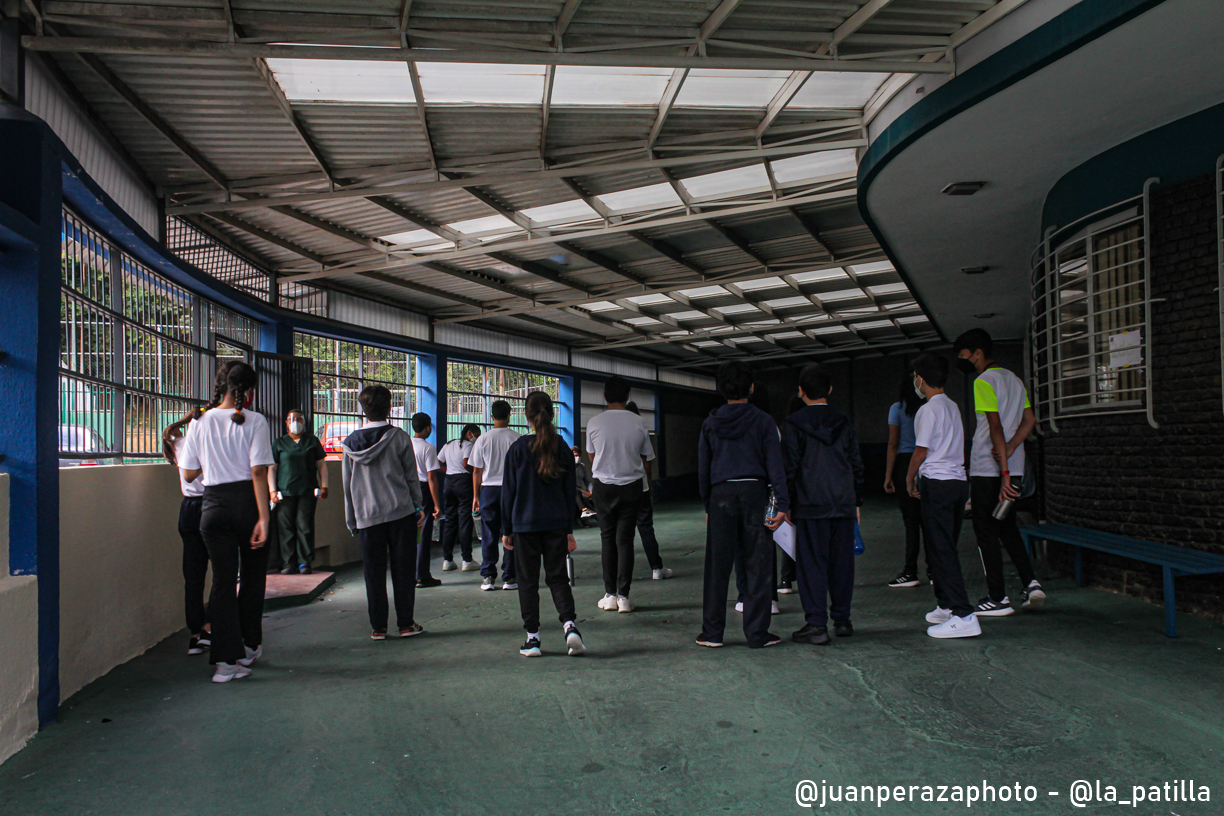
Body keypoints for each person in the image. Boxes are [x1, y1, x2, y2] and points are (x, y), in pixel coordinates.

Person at [176, 361, 273, 683]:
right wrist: (263, 516)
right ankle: (249, 646)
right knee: (252, 579)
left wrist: (213, 460)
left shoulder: (199, 421)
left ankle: (225, 664)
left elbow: (188, 473)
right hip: (247, 504)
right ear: (250, 391)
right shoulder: (255, 421)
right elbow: (259, 471)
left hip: (212, 506)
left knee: (221, 582)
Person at [696, 361, 789, 649]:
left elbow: (703, 468)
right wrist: (783, 503)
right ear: (751, 388)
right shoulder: (763, 421)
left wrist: (708, 505)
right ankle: (757, 634)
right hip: (754, 492)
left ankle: (712, 633)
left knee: (717, 566)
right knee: (758, 564)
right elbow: (776, 465)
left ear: (720, 390)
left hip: (721, 494)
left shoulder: (710, 423)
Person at [954, 328, 1045, 617]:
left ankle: (997, 598)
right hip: (1013, 468)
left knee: (985, 530)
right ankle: (1031, 584)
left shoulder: (984, 381)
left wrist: (1002, 469)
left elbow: (994, 427)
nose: (964, 362)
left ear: (977, 354)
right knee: (1007, 526)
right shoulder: (1014, 379)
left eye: (964, 356)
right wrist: (1011, 449)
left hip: (989, 470)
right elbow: (1029, 420)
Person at [782, 363, 864, 646]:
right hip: (842, 503)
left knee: (812, 564)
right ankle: (842, 620)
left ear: (801, 391)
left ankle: (816, 624)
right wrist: (856, 501)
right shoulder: (844, 422)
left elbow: (789, 468)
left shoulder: (793, 425)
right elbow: (856, 464)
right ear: (829, 390)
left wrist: (787, 503)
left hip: (809, 505)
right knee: (842, 564)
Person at [501, 391, 585, 657]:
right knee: (558, 577)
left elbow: (508, 492)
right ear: (552, 414)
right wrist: (569, 528)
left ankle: (533, 639)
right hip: (556, 524)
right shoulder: (562, 446)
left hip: (524, 525)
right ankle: (570, 627)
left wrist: (507, 530)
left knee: (527, 582)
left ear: (526, 417)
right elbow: (569, 490)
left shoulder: (517, 449)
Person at [341, 385, 426, 641]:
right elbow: (412, 477)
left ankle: (378, 627)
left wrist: (352, 520)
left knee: (373, 574)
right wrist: (417, 506)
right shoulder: (399, 437)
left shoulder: (349, 444)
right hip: (400, 514)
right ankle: (405, 625)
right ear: (389, 408)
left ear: (363, 409)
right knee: (403, 570)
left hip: (367, 517)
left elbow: (346, 486)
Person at [907, 353, 980, 639]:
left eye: (915, 376)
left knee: (942, 549)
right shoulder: (952, 405)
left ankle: (964, 614)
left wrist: (909, 477)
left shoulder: (928, 410)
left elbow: (921, 451)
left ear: (921, 379)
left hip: (936, 483)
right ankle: (947, 604)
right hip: (958, 483)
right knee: (942, 544)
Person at [586, 376, 655, 613]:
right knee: (625, 540)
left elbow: (592, 457)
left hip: (603, 486)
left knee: (607, 538)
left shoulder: (594, 422)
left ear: (604, 396)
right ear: (628, 396)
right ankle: (624, 596)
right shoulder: (639, 422)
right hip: (632, 486)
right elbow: (645, 458)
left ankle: (609, 594)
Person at [162, 411, 210, 656]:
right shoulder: (210, 444)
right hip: (211, 505)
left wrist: (184, 421)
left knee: (193, 575)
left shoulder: (180, 443)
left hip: (187, 509)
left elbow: (171, 432)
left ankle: (196, 633)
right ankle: (212, 627)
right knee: (224, 571)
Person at [268, 408, 328, 576]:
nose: (296, 422)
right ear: (286, 423)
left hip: (307, 491)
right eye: (291, 419)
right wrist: (272, 491)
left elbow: (321, 465)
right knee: (285, 528)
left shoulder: (312, 441)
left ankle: (304, 562)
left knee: (305, 526)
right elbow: (272, 468)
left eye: (299, 419)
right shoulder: (279, 443)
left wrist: (324, 486)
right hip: (284, 493)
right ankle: (288, 563)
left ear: (304, 422)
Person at [470, 400, 521, 591]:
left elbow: (477, 471)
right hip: (511, 490)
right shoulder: (517, 438)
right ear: (510, 415)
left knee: (488, 533)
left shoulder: (483, 439)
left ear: (492, 417)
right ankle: (509, 577)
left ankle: (488, 576)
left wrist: (476, 495)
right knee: (510, 533)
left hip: (488, 490)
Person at [884, 374, 926, 588]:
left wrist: (888, 475)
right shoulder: (928, 407)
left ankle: (910, 572)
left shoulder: (896, 408)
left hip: (904, 463)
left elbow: (893, 444)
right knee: (928, 520)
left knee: (911, 522)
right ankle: (935, 570)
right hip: (926, 463)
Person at [625, 401, 672, 580]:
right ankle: (656, 568)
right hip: (639, 486)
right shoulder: (640, 426)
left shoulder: (608, 425)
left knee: (621, 531)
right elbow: (647, 463)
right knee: (645, 528)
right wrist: (649, 485)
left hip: (616, 487)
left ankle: (621, 576)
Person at [438, 424, 480, 572]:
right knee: (465, 521)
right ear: (469, 433)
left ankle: (447, 559)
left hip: (449, 483)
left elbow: (438, 463)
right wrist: (473, 471)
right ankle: (466, 559)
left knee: (450, 520)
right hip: (464, 483)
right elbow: (465, 462)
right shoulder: (468, 444)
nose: (477, 438)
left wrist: (449, 471)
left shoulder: (448, 444)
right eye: (477, 434)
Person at [775, 394, 806, 596]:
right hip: (811, 489)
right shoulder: (811, 428)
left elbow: (785, 465)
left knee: (789, 533)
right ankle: (807, 577)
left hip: (791, 488)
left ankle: (786, 579)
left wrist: (784, 499)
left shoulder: (786, 430)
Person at [411, 412, 444, 588]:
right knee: (423, 534)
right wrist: (437, 504)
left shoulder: (406, 444)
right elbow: (432, 478)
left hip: (408, 490)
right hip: (423, 490)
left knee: (409, 533)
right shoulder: (428, 448)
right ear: (428, 428)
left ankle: (410, 573)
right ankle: (421, 575)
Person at [572, 446, 597, 528]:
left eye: (578, 456)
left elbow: (588, 481)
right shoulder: (566, 467)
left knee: (593, 496)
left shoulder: (582, 466)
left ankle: (595, 515)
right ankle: (586, 516)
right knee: (579, 494)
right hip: (572, 491)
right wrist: (584, 492)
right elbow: (569, 485)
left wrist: (590, 491)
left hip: (581, 492)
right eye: (575, 456)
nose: (577, 458)